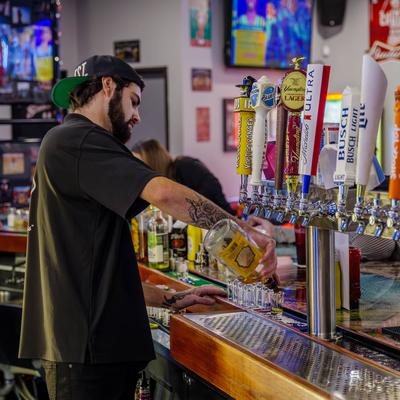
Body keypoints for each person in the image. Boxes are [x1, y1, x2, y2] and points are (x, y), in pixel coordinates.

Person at [18, 55, 277, 400]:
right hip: (87, 352)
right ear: (108, 86)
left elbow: (97, 271)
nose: (138, 116)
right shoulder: (78, 139)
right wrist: (242, 230)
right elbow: (166, 194)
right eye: (134, 101)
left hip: (88, 347)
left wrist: (172, 297)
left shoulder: (70, 145)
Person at [132, 139, 235, 215]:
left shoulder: (185, 166)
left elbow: (212, 190)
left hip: (221, 224)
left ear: (153, 160)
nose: (138, 168)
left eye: (140, 162)